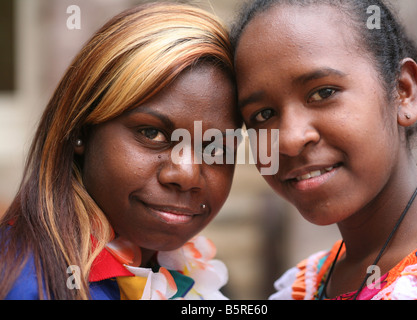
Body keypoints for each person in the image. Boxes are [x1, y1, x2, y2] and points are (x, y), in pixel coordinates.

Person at [0, 2, 242, 300]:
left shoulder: (159, 265)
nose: (187, 174)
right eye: (152, 134)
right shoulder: (37, 287)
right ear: (80, 131)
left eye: (215, 147)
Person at [231, 0, 417, 300]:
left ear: (404, 91)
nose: (291, 139)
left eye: (323, 93)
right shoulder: (306, 286)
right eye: (263, 115)